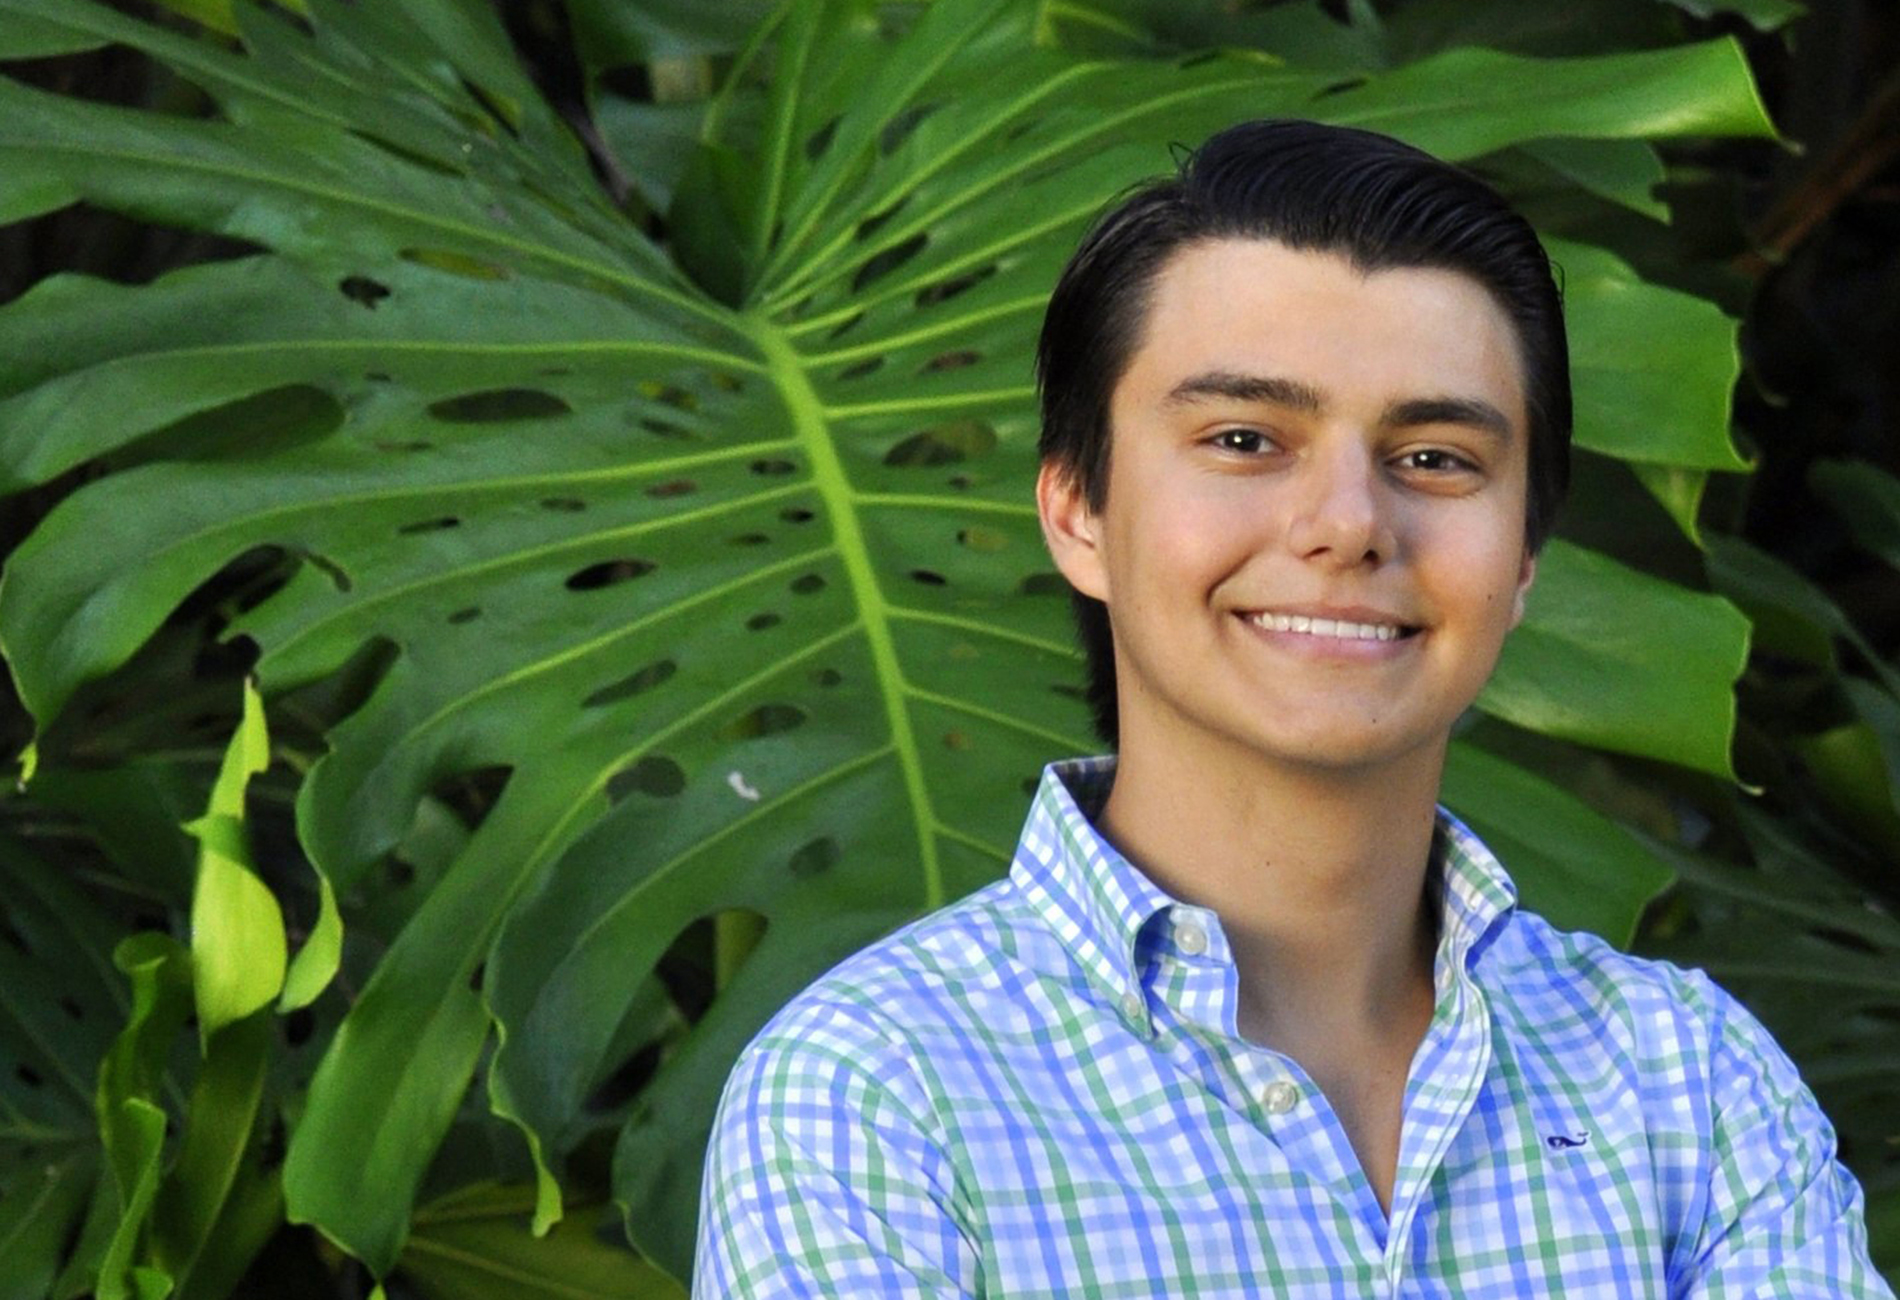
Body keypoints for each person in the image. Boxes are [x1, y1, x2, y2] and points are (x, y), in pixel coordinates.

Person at [693, 119, 1893, 1297]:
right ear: (1077, 513)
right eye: (1244, 438)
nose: (1349, 523)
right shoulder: (871, 1097)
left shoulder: (1686, 1079)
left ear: (1524, 557)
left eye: (1433, 457)